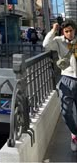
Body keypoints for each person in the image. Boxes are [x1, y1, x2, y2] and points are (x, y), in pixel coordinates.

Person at [43, 20, 77, 152]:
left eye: (71, 30)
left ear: (75, 30)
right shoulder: (59, 41)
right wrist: (53, 30)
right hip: (67, 79)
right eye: (66, 31)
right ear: (63, 31)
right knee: (65, 111)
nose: (69, 33)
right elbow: (45, 44)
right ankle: (74, 133)